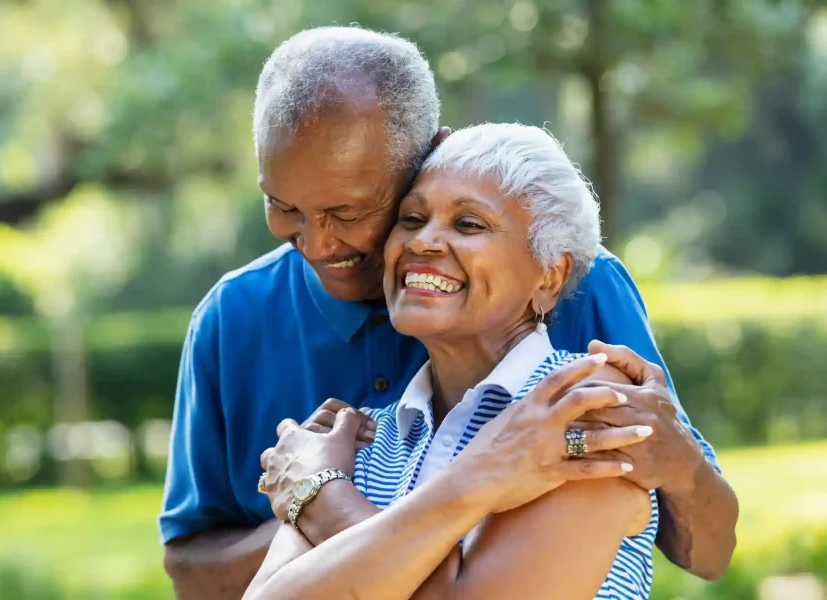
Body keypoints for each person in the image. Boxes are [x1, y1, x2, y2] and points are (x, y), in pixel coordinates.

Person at [160, 27, 738, 599]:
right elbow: (210, 576)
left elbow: (706, 549)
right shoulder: (343, 425)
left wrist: (319, 499)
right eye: (283, 206)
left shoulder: (576, 387)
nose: (316, 243)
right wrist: (359, 496)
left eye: (348, 211)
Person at [246, 123, 659, 600]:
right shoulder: (356, 436)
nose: (424, 243)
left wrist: (321, 494)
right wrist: (483, 480)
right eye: (412, 219)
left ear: (549, 275)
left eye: (468, 224)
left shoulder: (586, 406)